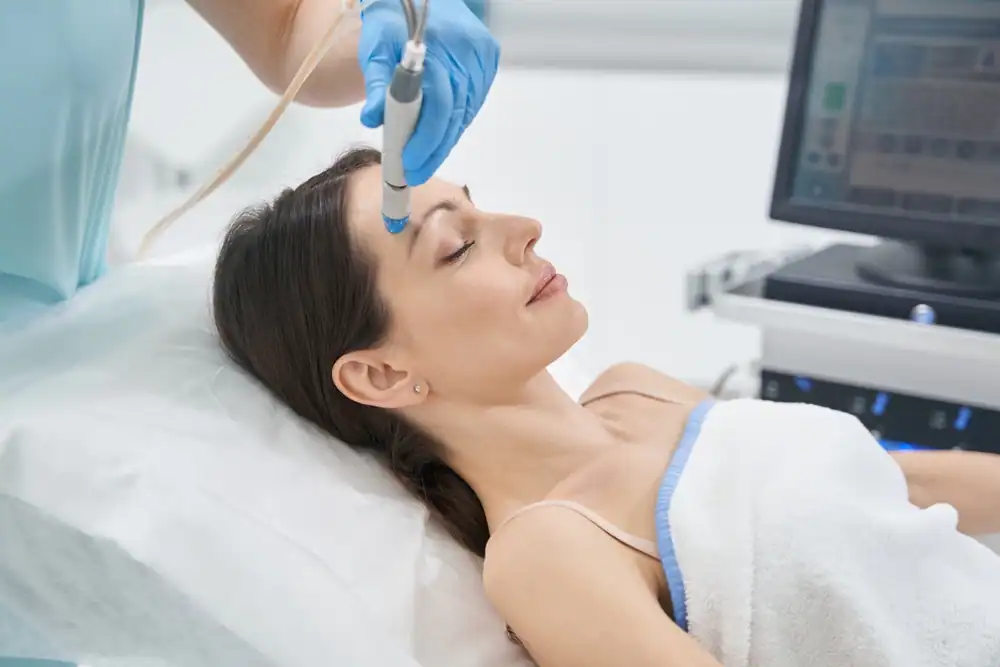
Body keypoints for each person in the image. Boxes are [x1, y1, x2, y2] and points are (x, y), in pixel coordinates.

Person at [212, 147, 1000, 667]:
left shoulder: (640, 388)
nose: (524, 229)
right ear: (382, 375)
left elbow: (909, 489)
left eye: (482, 209)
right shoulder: (547, 550)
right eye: (457, 245)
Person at [0, 0, 498, 326]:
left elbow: (286, 26)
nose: (533, 230)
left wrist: (385, 36)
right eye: (452, 249)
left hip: (60, 315)